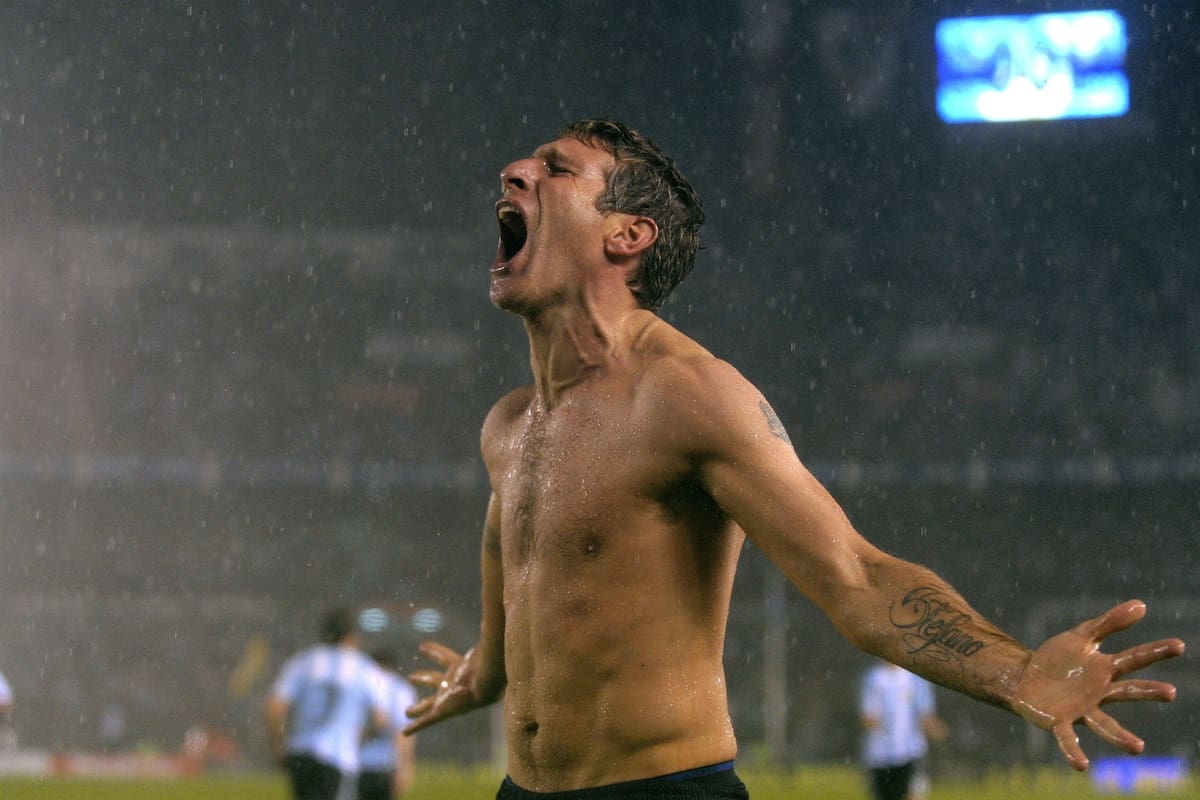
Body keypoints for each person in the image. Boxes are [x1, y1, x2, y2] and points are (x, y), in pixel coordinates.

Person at [402, 118, 1185, 799]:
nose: (516, 171)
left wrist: (1015, 673)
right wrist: (485, 673)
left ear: (627, 234)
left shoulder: (688, 396)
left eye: (556, 168)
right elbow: (524, 570)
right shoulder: (509, 424)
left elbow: (858, 576)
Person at [265, 608, 389, 800]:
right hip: (338, 757)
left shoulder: (303, 662)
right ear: (351, 636)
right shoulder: (362, 667)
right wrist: (359, 737)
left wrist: (278, 744)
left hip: (301, 756)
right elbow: (381, 719)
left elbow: (275, 707)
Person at [859, 660, 948, 800]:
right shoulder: (874, 678)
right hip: (881, 755)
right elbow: (868, 717)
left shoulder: (916, 679)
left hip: (912, 752)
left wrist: (936, 730)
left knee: (914, 794)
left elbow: (926, 715)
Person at [358, 648, 419, 800]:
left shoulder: (362, 684)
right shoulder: (402, 690)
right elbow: (405, 732)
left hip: (357, 765)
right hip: (386, 766)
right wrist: (405, 766)